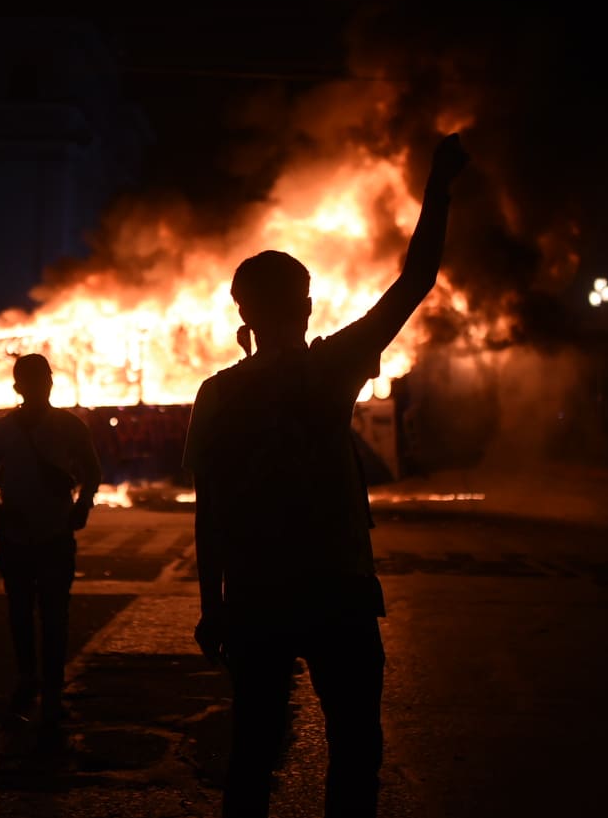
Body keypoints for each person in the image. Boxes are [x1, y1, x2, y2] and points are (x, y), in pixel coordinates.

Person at [183, 133, 470, 817]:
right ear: (307, 305)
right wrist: (439, 185)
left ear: (242, 312)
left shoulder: (217, 393)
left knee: (252, 754)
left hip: (256, 595)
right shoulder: (334, 366)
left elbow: (209, 506)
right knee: (353, 754)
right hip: (338, 589)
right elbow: (417, 279)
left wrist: (212, 604)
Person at [0, 353, 102, 728]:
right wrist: (80, 508)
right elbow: (93, 472)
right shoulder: (66, 427)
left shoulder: (8, 430)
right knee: (42, 613)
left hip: (39, 535)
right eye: (36, 379)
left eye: (40, 379)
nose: (39, 385)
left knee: (35, 611)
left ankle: (39, 682)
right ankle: (42, 685)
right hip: (41, 535)